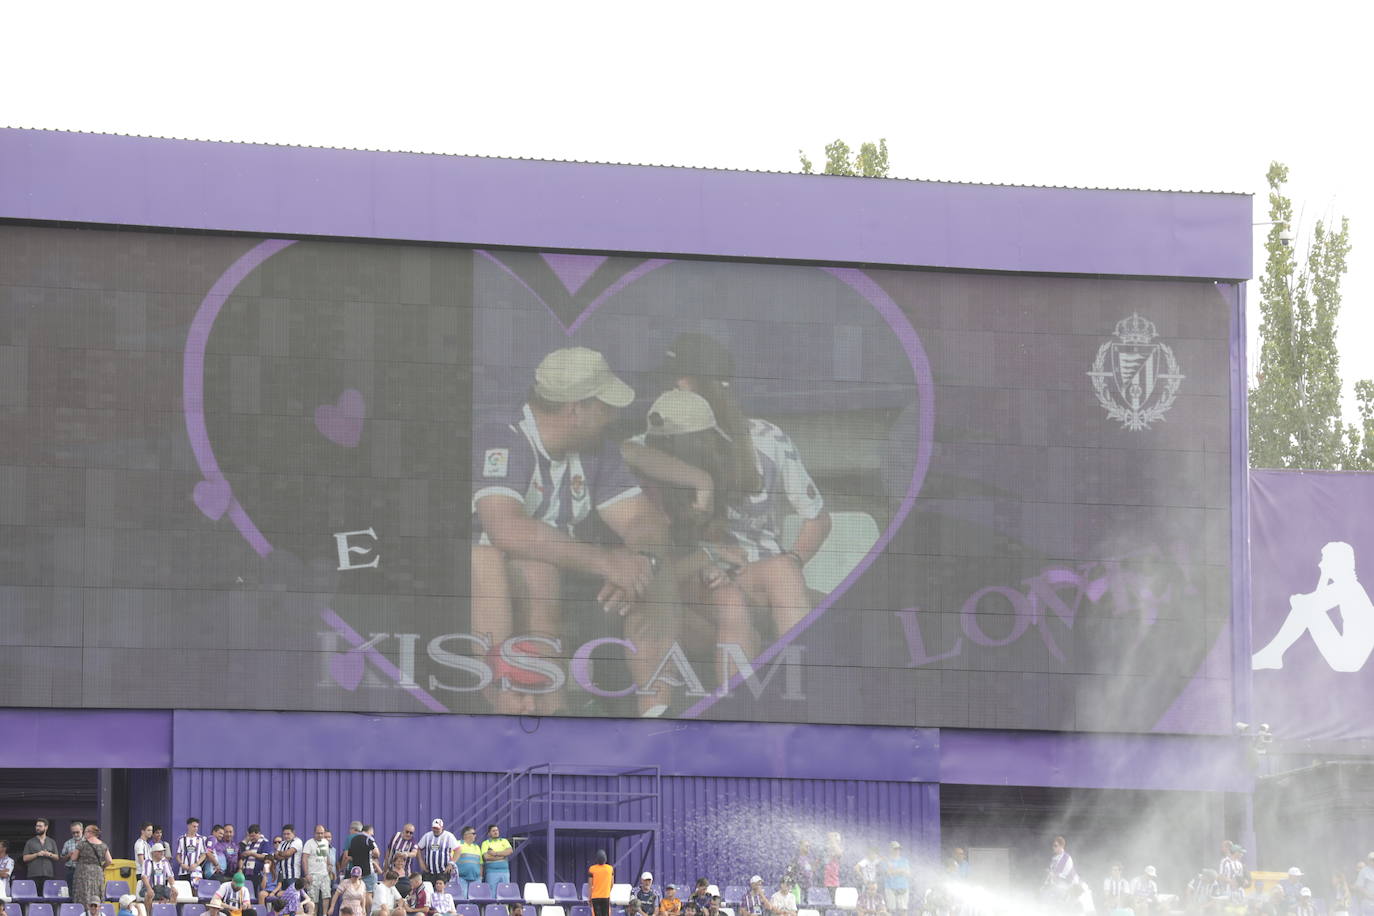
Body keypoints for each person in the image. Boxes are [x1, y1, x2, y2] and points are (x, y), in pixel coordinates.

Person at [471, 346, 679, 717]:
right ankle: (549, 714)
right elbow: (505, 528)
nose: (614, 416)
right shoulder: (502, 436)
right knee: (539, 572)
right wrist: (606, 562)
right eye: (605, 406)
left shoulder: (596, 448)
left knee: (655, 575)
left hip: (566, 568)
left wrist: (640, 559)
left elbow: (643, 520)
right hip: (486, 573)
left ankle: (657, 719)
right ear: (575, 410)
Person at [634, 333, 832, 646]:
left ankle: (796, 679)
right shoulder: (653, 444)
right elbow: (622, 452)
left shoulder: (767, 438)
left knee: (791, 581)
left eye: (673, 380)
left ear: (685, 383)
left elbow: (818, 519)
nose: (668, 388)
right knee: (741, 610)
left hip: (759, 575)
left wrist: (792, 564)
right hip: (694, 578)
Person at [1253, 541, 1374, 671]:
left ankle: (1273, 654)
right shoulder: (1350, 586)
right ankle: (1273, 653)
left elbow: (1310, 603)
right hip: (1349, 658)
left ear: (1336, 564)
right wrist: (1322, 579)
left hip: (1347, 659)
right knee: (1306, 607)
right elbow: (1316, 602)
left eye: (1324, 561)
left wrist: (1321, 579)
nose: (1320, 565)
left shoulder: (1348, 587)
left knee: (1304, 607)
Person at [72, 824, 112, 916]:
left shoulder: (82, 844)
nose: (84, 834)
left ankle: (84, 913)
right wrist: (102, 867)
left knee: (83, 894)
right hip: (98, 873)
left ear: (90, 833)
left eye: (85, 831)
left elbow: (74, 858)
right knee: (97, 893)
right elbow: (109, 860)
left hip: (83, 872)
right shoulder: (103, 845)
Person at [301, 825, 334, 916]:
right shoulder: (309, 843)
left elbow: (326, 856)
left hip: (324, 874)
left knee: (326, 896)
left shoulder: (325, 842)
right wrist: (306, 874)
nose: (320, 835)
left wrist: (329, 865)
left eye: (322, 833)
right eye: (318, 833)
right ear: (314, 833)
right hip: (313, 874)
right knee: (313, 898)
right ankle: (313, 914)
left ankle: (324, 914)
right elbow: (304, 859)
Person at [24, 818, 61, 894]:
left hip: (48, 874)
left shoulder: (51, 841)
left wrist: (49, 854)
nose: (37, 828)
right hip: (33, 874)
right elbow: (25, 858)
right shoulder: (30, 842)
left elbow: (57, 857)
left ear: (46, 827)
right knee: (33, 897)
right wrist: (37, 854)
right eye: (37, 826)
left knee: (47, 897)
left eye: (40, 826)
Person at [139, 843, 178, 912]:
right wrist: (149, 889)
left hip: (162, 887)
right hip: (149, 887)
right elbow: (144, 877)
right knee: (149, 894)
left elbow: (170, 876)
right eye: (159, 852)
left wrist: (173, 886)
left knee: (174, 893)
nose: (162, 853)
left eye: (163, 851)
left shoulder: (165, 862)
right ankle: (149, 914)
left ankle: (169, 913)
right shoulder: (148, 862)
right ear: (154, 853)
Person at [417, 821, 456, 886]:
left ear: (442, 827)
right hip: (429, 871)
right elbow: (418, 848)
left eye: (437, 828)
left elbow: (458, 850)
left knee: (441, 891)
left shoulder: (449, 836)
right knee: (428, 891)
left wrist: (451, 863)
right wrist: (421, 863)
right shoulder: (427, 836)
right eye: (434, 828)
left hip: (443, 871)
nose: (435, 830)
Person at [269, 827, 304, 899]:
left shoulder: (297, 841)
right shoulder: (282, 843)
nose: (286, 836)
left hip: (293, 875)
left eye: (288, 834)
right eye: (284, 834)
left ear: (293, 833)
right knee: (284, 898)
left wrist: (283, 854)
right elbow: (276, 855)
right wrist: (285, 855)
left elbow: (288, 853)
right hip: (282, 875)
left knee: (293, 895)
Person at [1042, 836, 1077, 907]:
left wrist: (1055, 875)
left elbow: (1069, 875)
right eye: (1053, 845)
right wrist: (1044, 885)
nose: (1053, 847)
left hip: (1064, 889)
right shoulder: (1054, 858)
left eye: (1055, 846)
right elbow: (1051, 874)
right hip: (1055, 888)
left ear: (1061, 846)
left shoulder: (1067, 858)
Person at [239, 826, 274, 898]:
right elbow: (242, 857)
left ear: (259, 833)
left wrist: (252, 853)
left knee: (257, 894)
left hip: (259, 874)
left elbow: (267, 857)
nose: (252, 838)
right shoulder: (249, 843)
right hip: (248, 873)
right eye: (250, 836)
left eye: (253, 836)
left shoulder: (264, 843)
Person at [344, 827, 381, 894]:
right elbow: (377, 853)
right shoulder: (368, 839)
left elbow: (349, 856)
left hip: (357, 871)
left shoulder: (353, 839)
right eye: (372, 833)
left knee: (359, 893)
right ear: (369, 831)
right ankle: (369, 905)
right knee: (369, 893)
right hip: (368, 870)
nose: (372, 834)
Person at [176, 818, 210, 882]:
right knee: (185, 889)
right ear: (188, 826)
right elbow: (178, 855)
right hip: (184, 871)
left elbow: (203, 854)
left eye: (197, 827)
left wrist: (196, 864)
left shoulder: (201, 839)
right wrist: (181, 864)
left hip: (196, 871)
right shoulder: (181, 839)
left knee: (195, 888)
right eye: (194, 826)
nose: (196, 828)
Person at [883, 842, 910, 916]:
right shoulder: (886, 860)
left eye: (898, 849)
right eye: (895, 849)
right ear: (890, 850)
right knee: (891, 909)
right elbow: (888, 872)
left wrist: (895, 871)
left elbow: (908, 873)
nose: (897, 851)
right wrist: (901, 870)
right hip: (890, 887)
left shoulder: (904, 860)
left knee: (903, 909)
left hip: (903, 886)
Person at [454, 827, 482, 895]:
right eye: (473, 833)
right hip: (461, 878)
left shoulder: (477, 847)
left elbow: (480, 863)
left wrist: (480, 877)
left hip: (476, 879)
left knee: (475, 899)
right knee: (463, 898)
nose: (475, 835)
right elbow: (451, 859)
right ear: (466, 834)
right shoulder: (458, 844)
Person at [588, 850, 613, 916]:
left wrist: (589, 897)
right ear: (605, 859)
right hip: (605, 896)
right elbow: (612, 883)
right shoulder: (610, 869)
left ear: (596, 859)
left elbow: (590, 885)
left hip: (595, 897)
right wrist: (608, 892)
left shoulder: (592, 869)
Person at [62, 821, 84, 888]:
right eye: (73, 833)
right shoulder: (67, 843)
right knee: (71, 891)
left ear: (82, 830)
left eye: (77, 832)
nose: (75, 834)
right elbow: (62, 859)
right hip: (71, 871)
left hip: (83, 870)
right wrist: (69, 855)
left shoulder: (87, 842)